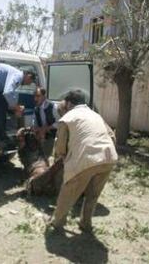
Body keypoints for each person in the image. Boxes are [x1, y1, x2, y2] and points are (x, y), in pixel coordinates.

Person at [49, 89, 117, 233]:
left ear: (68, 103)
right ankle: (85, 223)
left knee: (67, 191)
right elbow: (112, 135)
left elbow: (60, 147)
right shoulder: (95, 115)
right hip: (109, 157)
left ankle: (58, 222)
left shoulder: (67, 118)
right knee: (92, 194)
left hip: (87, 159)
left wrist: (62, 157)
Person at [33, 87, 60, 157]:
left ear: (44, 96)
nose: (35, 99)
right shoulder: (36, 109)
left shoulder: (53, 107)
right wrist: (38, 130)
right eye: (35, 96)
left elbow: (59, 122)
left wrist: (47, 128)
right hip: (42, 136)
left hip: (54, 135)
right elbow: (34, 124)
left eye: (38, 96)